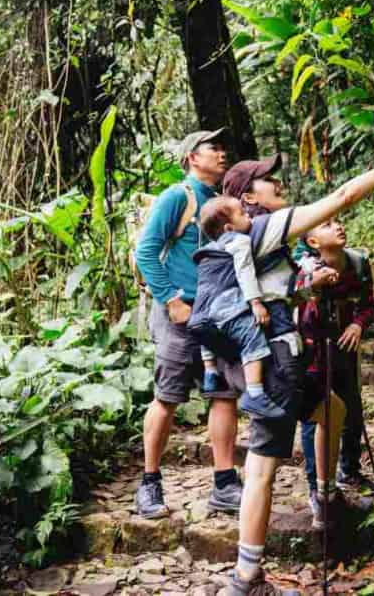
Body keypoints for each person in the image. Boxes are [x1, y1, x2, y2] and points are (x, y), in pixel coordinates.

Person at [221, 126, 374, 595]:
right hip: (277, 367)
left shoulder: (263, 245)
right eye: (266, 179)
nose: (276, 182)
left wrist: (306, 289)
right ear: (248, 198)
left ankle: (325, 495)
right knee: (261, 469)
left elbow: (274, 291)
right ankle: (246, 577)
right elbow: (344, 195)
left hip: (286, 360)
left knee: (333, 410)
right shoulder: (263, 229)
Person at [132, 129, 243, 520]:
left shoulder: (224, 202)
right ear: (192, 158)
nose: (221, 152)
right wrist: (172, 300)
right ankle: (149, 484)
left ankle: (225, 483)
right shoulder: (179, 196)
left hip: (219, 314)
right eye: (213, 147)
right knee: (168, 396)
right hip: (181, 312)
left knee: (225, 394)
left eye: (221, 146)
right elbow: (146, 251)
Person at [296, 219, 374, 499]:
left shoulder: (357, 263)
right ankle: (315, 484)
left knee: (352, 409)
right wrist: (315, 292)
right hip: (314, 351)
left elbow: (367, 303)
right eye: (328, 225)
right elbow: (303, 318)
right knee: (317, 415)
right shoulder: (305, 271)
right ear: (313, 242)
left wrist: (357, 324)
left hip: (345, 346)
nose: (339, 226)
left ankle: (350, 471)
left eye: (340, 222)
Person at [190, 196, 286, 420]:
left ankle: (211, 373)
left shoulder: (207, 251)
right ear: (229, 227)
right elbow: (244, 271)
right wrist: (255, 302)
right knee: (252, 339)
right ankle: (255, 394)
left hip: (202, 311)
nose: (249, 216)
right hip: (227, 305)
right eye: (243, 213)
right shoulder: (239, 241)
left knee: (210, 336)